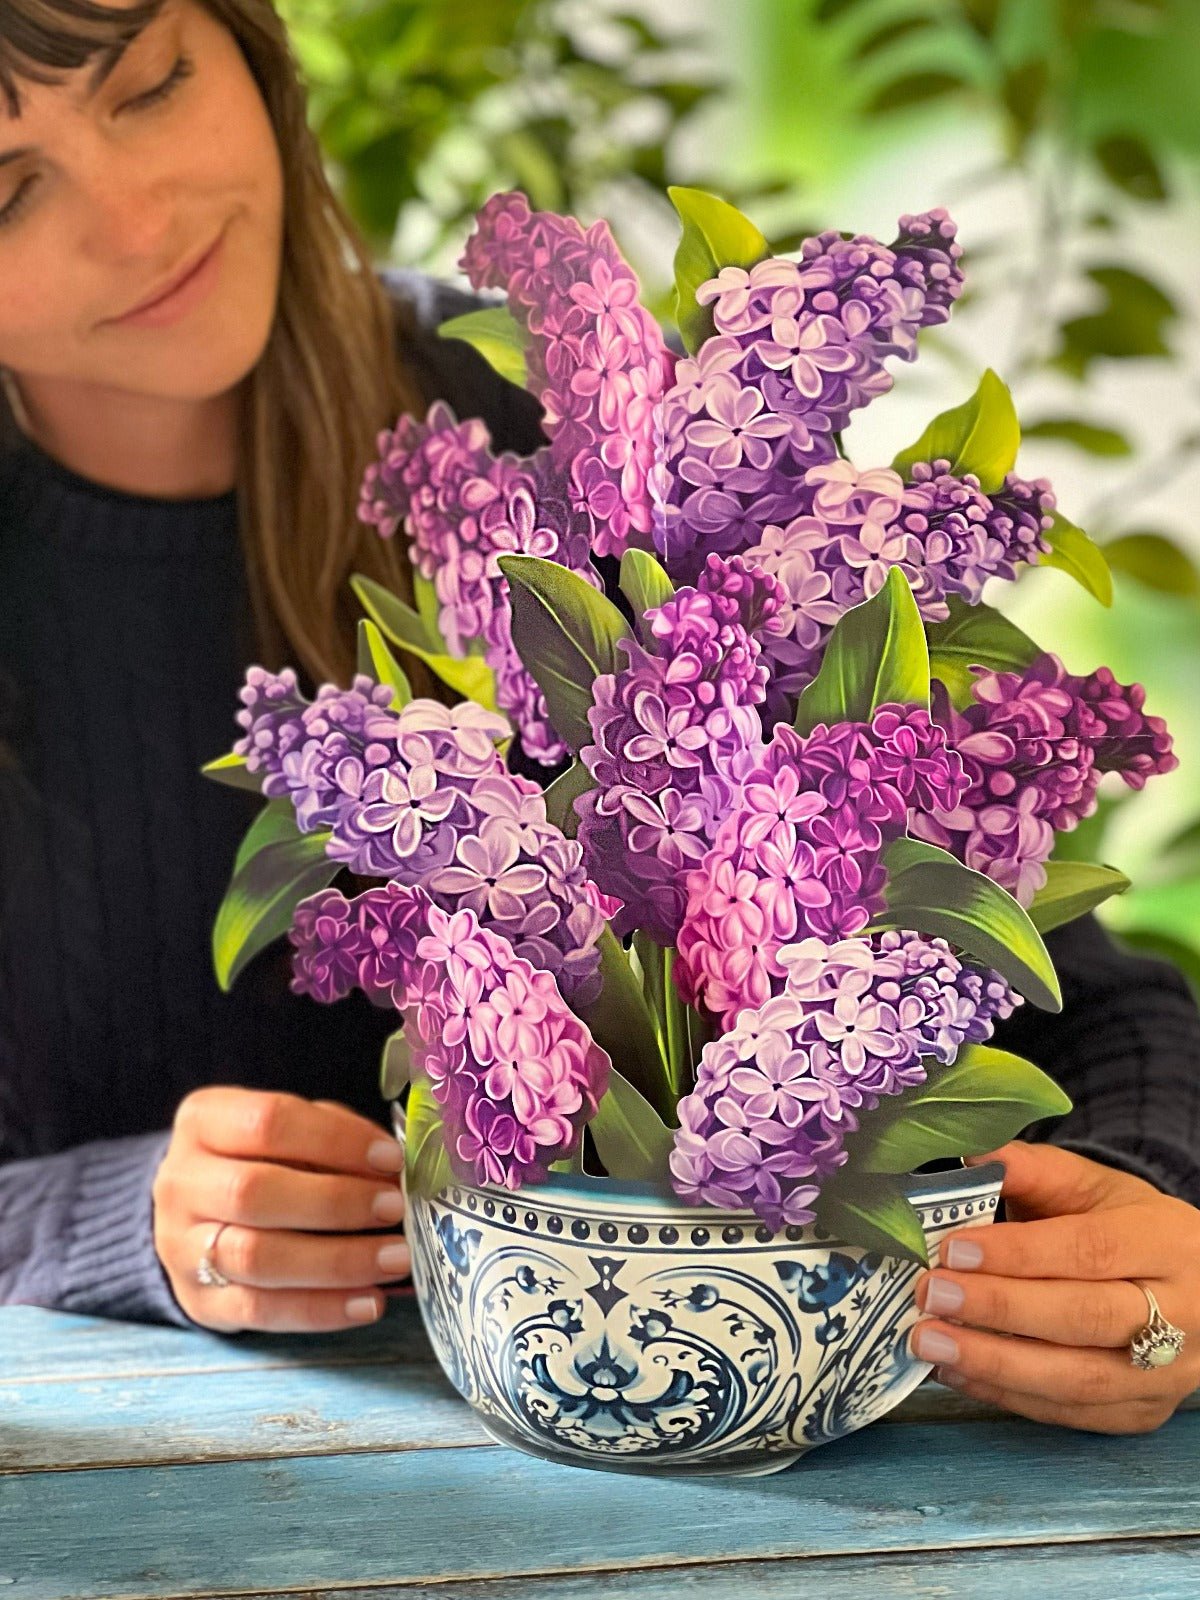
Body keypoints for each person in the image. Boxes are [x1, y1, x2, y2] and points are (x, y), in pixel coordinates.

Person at [0, 0, 1196, 1436]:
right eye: (10, 191)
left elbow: (1081, 997)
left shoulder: (580, 454)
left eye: (154, 87)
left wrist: (1153, 1223)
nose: (139, 223)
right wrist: (106, 1218)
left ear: (251, 55)